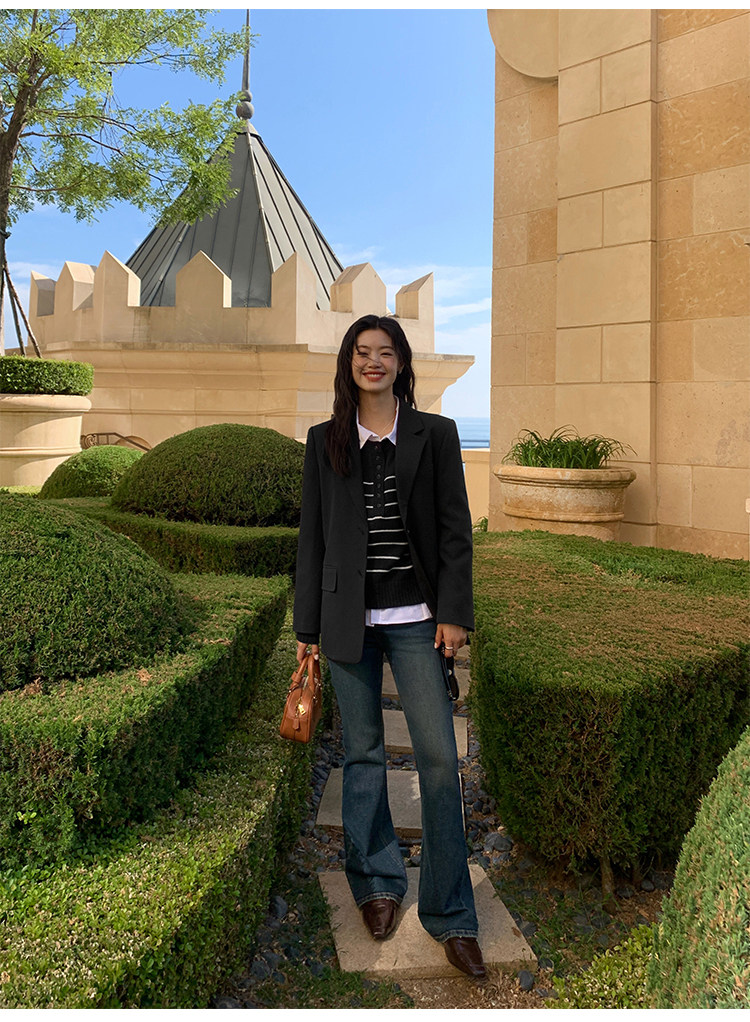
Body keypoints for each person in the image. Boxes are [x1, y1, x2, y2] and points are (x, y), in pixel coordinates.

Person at [293, 313, 485, 980]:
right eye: (361, 352)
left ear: (401, 363)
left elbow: (455, 530)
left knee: (438, 758)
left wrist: (453, 614)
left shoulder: (437, 434)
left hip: (416, 621)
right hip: (348, 621)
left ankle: (452, 912)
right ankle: (376, 883)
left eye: (384, 352)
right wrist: (307, 632)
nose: (372, 361)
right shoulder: (325, 440)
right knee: (364, 753)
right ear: (348, 364)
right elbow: (313, 540)